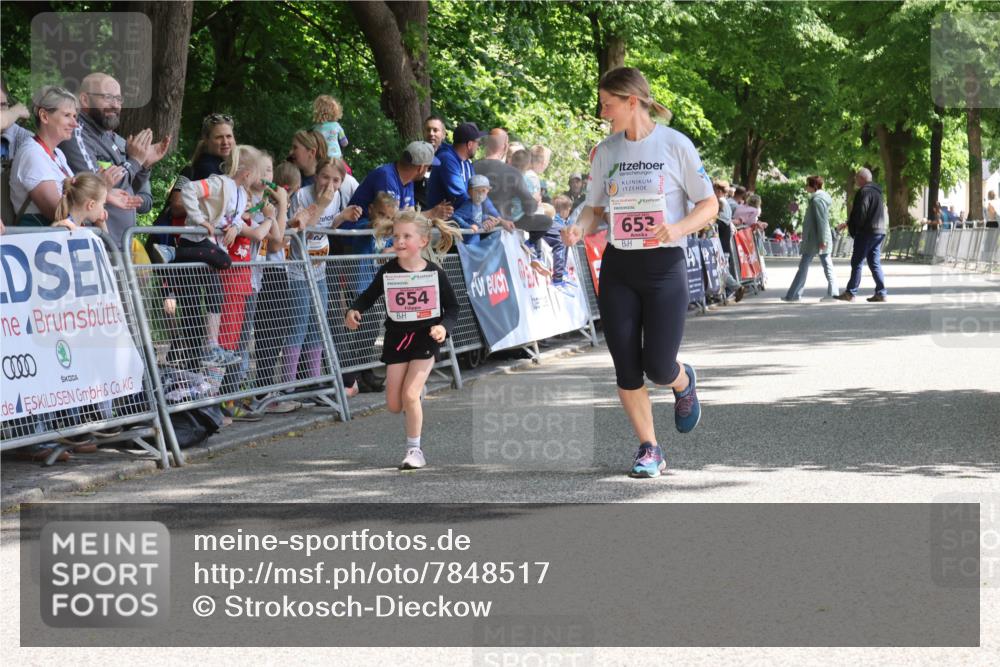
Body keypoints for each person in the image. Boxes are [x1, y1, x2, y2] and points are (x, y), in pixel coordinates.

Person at [561, 67, 717, 479]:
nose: (602, 112)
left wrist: (677, 228)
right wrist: (579, 227)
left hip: (664, 266)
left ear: (632, 102)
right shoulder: (605, 151)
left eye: (607, 104)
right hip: (620, 266)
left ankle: (682, 381)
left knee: (659, 366)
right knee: (626, 366)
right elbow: (595, 208)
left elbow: (709, 204)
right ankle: (650, 448)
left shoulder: (675, 144)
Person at [345, 211, 462, 470]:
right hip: (396, 339)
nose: (399, 241)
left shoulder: (435, 273)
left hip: (426, 339)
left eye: (406, 236)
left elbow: (453, 308)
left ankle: (414, 450)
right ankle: (416, 396)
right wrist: (354, 310)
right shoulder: (388, 271)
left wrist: (443, 328)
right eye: (396, 236)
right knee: (394, 404)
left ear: (422, 241)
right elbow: (368, 296)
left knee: (409, 394)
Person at [59, 73, 170, 250]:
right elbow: (94, 187)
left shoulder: (110, 137)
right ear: (85, 100)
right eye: (108, 97)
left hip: (120, 243)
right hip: (95, 243)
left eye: (118, 99)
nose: (116, 105)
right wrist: (136, 161)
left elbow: (130, 189)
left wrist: (144, 165)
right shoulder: (76, 134)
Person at [178, 144, 263, 366]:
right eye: (257, 173)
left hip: (212, 248)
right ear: (247, 173)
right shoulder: (219, 183)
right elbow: (189, 190)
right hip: (196, 242)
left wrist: (235, 227)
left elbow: (236, 218)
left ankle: (211, 345)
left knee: (216, 294)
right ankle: (173, 253)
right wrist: (200, 220)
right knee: (224, 262)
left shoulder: (242, 194)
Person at [10, 86, 137, 226]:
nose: (75, 124)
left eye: (75, 116)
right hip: (40, 237)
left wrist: (106, 195)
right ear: (44, 116)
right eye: (67, 115)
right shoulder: (32, 154)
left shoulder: (58, 154)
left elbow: (72, 198)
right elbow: (58, 214)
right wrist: (101, 190)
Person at [782, 175, 837, 302]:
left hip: (816, 239)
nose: (806, 187)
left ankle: (794, 295)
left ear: (814, 186)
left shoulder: (817, 200)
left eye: (807, 184)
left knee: (812, 267)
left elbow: (821, 221)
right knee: (816, 266)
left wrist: (822, 240)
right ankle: (794, 295)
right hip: (815, 239)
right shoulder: (817, 199)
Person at [835, 168, 887, 302]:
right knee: (874, 263)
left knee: (857, 261)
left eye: (857, 177)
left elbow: (861, 213)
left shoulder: (864, 192)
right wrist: (849, 223)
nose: (855, 180)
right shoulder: (877, 192)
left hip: (866, 232)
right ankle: (881, 293)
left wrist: (855, 228)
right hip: (879, 231)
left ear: (862, 178)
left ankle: (850, 293)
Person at [473, 130, 536, 226]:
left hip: (472, 225)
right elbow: (530, 206)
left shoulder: (471, 167)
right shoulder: (514, 173)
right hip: (500, 227)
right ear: (506, 147)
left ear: (486, 144)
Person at [426, 121, 485, 211]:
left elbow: (478, 190)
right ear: (469, 144)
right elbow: (460, 197)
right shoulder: (446, 159)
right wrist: (482, 214)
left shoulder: (466, 162)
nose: (478, 146)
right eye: (478, 143)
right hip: (441, 218)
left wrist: (494, 215)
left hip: (461, 215)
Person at [452, 174, 502, 245]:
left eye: (483, 190)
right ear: (469, 192)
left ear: (488, 191)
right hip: (467, 242)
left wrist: (487, 217)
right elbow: (455, 216)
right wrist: (468, 226)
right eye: (476, 190)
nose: (480, 194)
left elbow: (474, 217)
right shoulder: (468, 205)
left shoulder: (478, 204)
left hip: (475, 239)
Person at [414, 115, 446, 209]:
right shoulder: (415, 154)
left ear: (443, 134)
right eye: (428, 130)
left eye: (435, 130)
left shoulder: (448, 159)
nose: (431, 133)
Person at [312, 94, 349, 161]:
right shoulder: (337, 126)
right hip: (336, 158)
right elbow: (344, 142)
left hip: (321, 159)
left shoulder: (316, 128)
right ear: (335, 112)